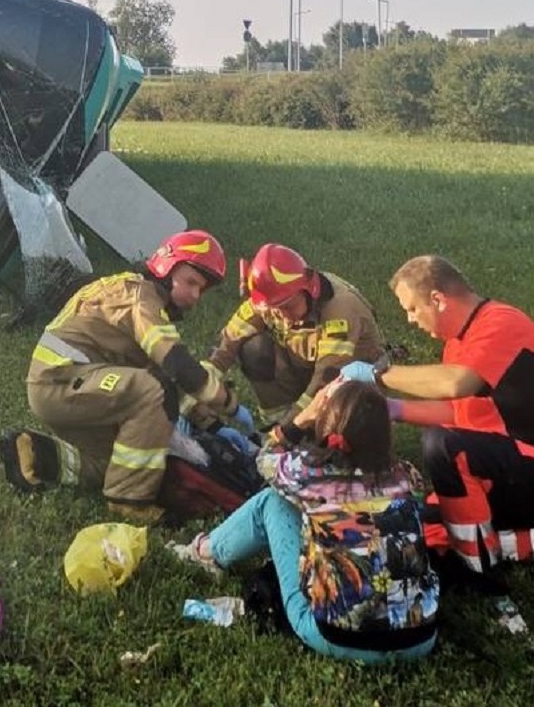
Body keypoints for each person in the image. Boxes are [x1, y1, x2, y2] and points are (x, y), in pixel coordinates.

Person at [169, 379, 439, 662]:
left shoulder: (307, 474)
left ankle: (203, 552)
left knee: (272, 503)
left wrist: (304, 416)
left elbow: (265, 458)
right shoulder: (408, 476)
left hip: (336, 637)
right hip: (420, 639)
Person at [0, 229, 251, 524]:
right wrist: (231, 405)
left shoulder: (132, 292)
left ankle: (35, 453)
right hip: (61, 382)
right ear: (167, 266)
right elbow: (178, 367)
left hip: (69, 385)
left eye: (201, 290)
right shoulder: (140, 297)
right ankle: (129, 502)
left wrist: (213, 425)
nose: (194, 296)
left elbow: (167, 376)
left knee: (120, 463)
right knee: (153, 391)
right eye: (191, 282)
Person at [341, 255, 534, 578]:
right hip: (508, 466)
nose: (410, 319)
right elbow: (456, 413)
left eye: (412, 308)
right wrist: (393, 410)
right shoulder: (459, 344)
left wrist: (379, 376)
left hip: (525, 463)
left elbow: (455, 383)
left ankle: (477, 570)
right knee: (422, 524)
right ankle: (515, 541)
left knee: (443, 446)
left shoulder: (501, 324)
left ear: (437, 299)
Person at [207, 243, 388, 426]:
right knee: (254, 349)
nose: (282, 316)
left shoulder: (339, 310)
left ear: (308, 291)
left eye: (287, 307)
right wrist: (206, 380)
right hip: (306, 368)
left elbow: (327, 378)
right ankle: (276, 418)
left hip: (349, 383)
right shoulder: (271, 296)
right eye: (274, 310)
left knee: (339, 430)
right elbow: (231, 339)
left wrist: (290, 429)